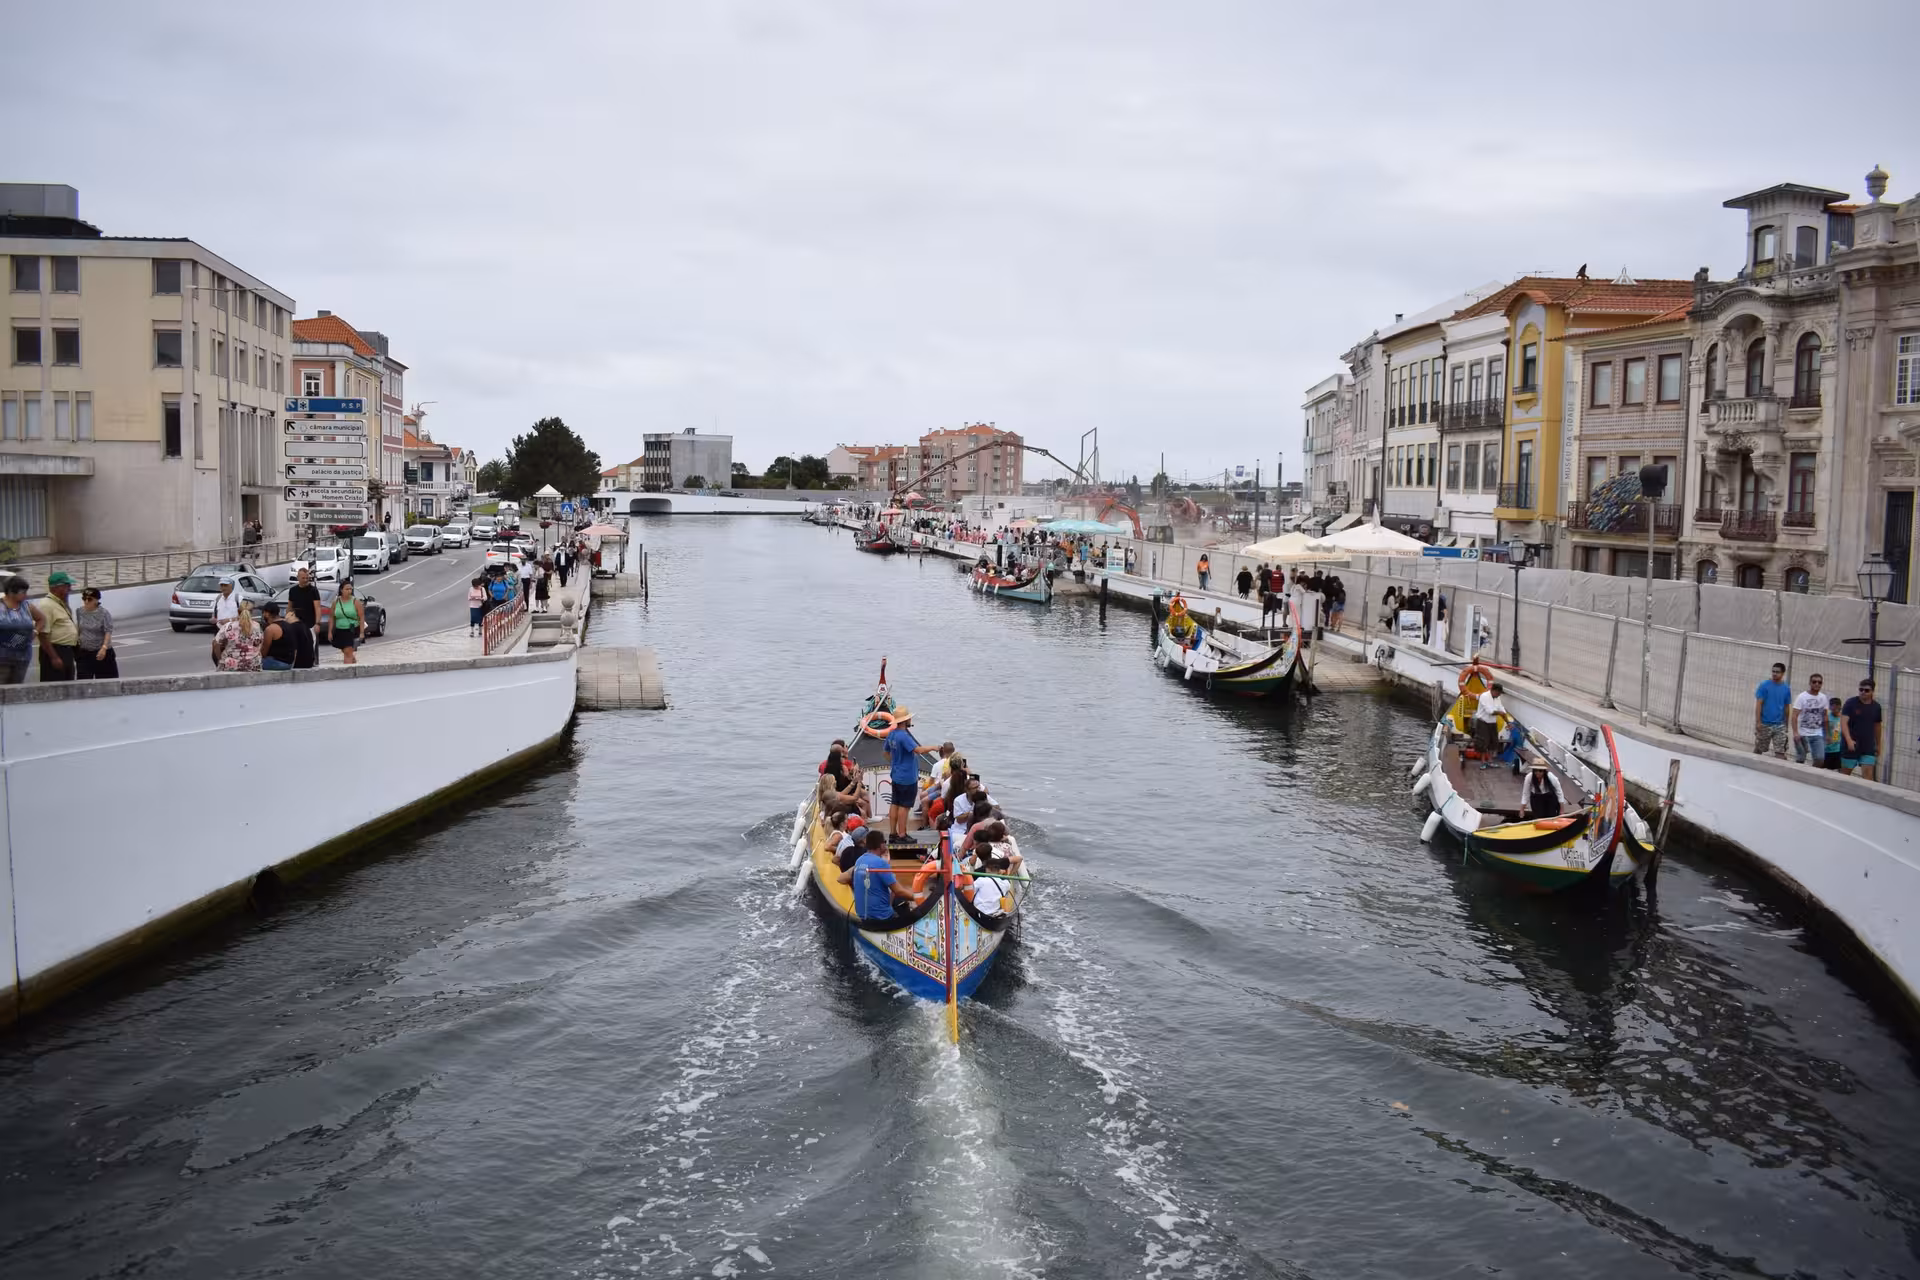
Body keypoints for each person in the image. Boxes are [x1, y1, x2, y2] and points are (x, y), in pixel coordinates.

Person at [837, 829, 921, 923]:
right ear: (881, 845)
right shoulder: (880, 863)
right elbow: (899, 891)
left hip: (862, 916)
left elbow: (841, 878)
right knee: (903, 904)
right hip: (881, 917)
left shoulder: (859, 861)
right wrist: (918, 898)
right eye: (884, 842)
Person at [883, 710, 939, 839]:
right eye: (908, 718)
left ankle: (892, 833)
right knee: (905, 806)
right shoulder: (904, 736)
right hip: (907, 777)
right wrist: (933, 747)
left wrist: (896, 762)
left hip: (896, 774)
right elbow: (918, 750)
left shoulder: (891, 734)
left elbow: (885, 753)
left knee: (894, 803)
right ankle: (902, 834)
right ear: (904, 721)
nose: (910, 720)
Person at [35, 569, 79, 682]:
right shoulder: (46, 605)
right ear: (55, 588)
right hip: (55, 651)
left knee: (68, 684)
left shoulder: (60, 602)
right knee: (54, 685)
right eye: (67, 586)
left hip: (66, 651)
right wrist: (54, 657)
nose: (70, 589)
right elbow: (42, 634)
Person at [0, 575, 42, 685]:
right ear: (11, 592)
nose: (26, 595)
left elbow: (41, 619)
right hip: (2, 657)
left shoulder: (27, 606)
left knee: (16, 690)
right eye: (23, 592)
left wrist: (35, 631)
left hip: (23, 657)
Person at [1840, 678, 1883, 781]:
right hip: (1851, 746)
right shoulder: (1850, 703)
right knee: (1844, 776)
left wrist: (1878, 744)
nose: (1863, 692)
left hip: (1868, 747)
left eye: (1866, 690)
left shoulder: (1876, 707)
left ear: (1872, 691)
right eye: (1861, 689)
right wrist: (1849, 740)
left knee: (1868, 777)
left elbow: (1877, 726)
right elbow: (1843, 722)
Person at [74, 587, 118, 679]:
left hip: (101, 652)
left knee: (106, 682)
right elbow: (79, 628)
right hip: (84, 653)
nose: (86, 601)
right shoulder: (79, 612)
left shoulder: (104, 613)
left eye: (89, 599)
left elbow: (108, 631)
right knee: (83, 681)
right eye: (84, 598)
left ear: (96, 600)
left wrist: (104, 648)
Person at [1753, 662, 1791, 759]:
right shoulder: (1764, 685)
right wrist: (1758, 722)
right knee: (1759, 749)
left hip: (1779, 725)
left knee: (1780, 752)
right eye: (1773, 671)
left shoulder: (1786, 688)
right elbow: (1759, 704)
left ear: (1783, 673)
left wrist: (1786, 723)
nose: (1774, 674)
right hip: (1765, 724)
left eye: (1777, 672)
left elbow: (1787, 707)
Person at [213, 600, 263, 672]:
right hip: (252, 665)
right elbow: (260, 644)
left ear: (238, 611)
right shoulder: (257, 626)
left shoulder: (228, 626)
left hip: (230, 665)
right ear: (252, 612)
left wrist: (220, 658)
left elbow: (215, 643)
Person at [1790, 673, 1829, 767]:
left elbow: (1825, 717)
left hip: (1817, 733)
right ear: (1810, 683)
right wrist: (1795, 732)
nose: (1817, 684)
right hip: (1803, 734)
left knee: (1820, 759)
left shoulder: (1823, 698)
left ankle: (1811, 774)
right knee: (1801, 758)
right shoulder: (1802, 697)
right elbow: (1794, 715)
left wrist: (1827, 734)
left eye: (1819, 682)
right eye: (1814, 682)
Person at [287, 566, 327, 645]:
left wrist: (317, 623)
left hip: (310, 625)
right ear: (298, 578)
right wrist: (288, 619)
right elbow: (289, 606)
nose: (305, 580)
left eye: (307, 578)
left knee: (309, 647)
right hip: (296, 624)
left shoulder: (313, 590)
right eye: (303, 578)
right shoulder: (293, 590)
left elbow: (317, 608)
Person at [1472, 680, 1506, 765]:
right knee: (1483, 742)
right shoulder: (1484, 696)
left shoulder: (1497, 698)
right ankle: (1483, 762)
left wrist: (1508, 722)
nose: (1499, 695)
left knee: (1493, 742)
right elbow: (1489, 711)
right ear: (1494, 691)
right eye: (1499, 693)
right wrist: (1500, 713)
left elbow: (1501, 708)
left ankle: (1490, 761)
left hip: (1492, 722)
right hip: (1483, 722)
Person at [331, 581, 365, 665]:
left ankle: (348, 669)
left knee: (348, 651)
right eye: (347, 589)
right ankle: (352, 662)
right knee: (345, 650)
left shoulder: (355, 602)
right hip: (340, 630)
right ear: (341, 590)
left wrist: (362, 632)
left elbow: (361, 617)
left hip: (351, 629)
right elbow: (331, 617)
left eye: (350, 589)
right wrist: (329, 632)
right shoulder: (336, 602)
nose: (349, 591)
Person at [1823, 695, 1845, 771]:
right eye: (1832, 707)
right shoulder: (1827, 718)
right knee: (1827, 769)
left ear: (1840, 707)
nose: (1835, 709)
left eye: (1837, 707)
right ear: (1830, 707)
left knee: (1838, 768)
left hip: (1838, 749)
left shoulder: (1842, 718)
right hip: (1827, 749)